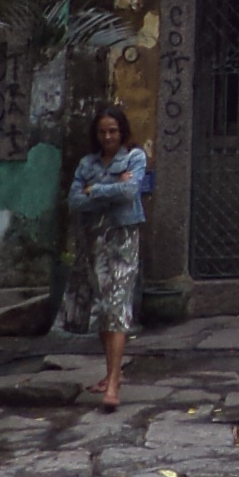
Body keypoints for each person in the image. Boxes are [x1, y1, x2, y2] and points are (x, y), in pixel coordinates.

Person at [65, 105, 148, 409]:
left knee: (117, 306)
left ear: (122, 131)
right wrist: (112, 186)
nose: (108, 136)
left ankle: (113, 384)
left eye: (113, 130)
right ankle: (111, 372)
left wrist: (95, 189)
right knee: (103, 307)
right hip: (93, 242)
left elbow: (130, 192)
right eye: (102, 132)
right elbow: (74, 201)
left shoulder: (134, 157)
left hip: (122, 239)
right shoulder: (87, 162)